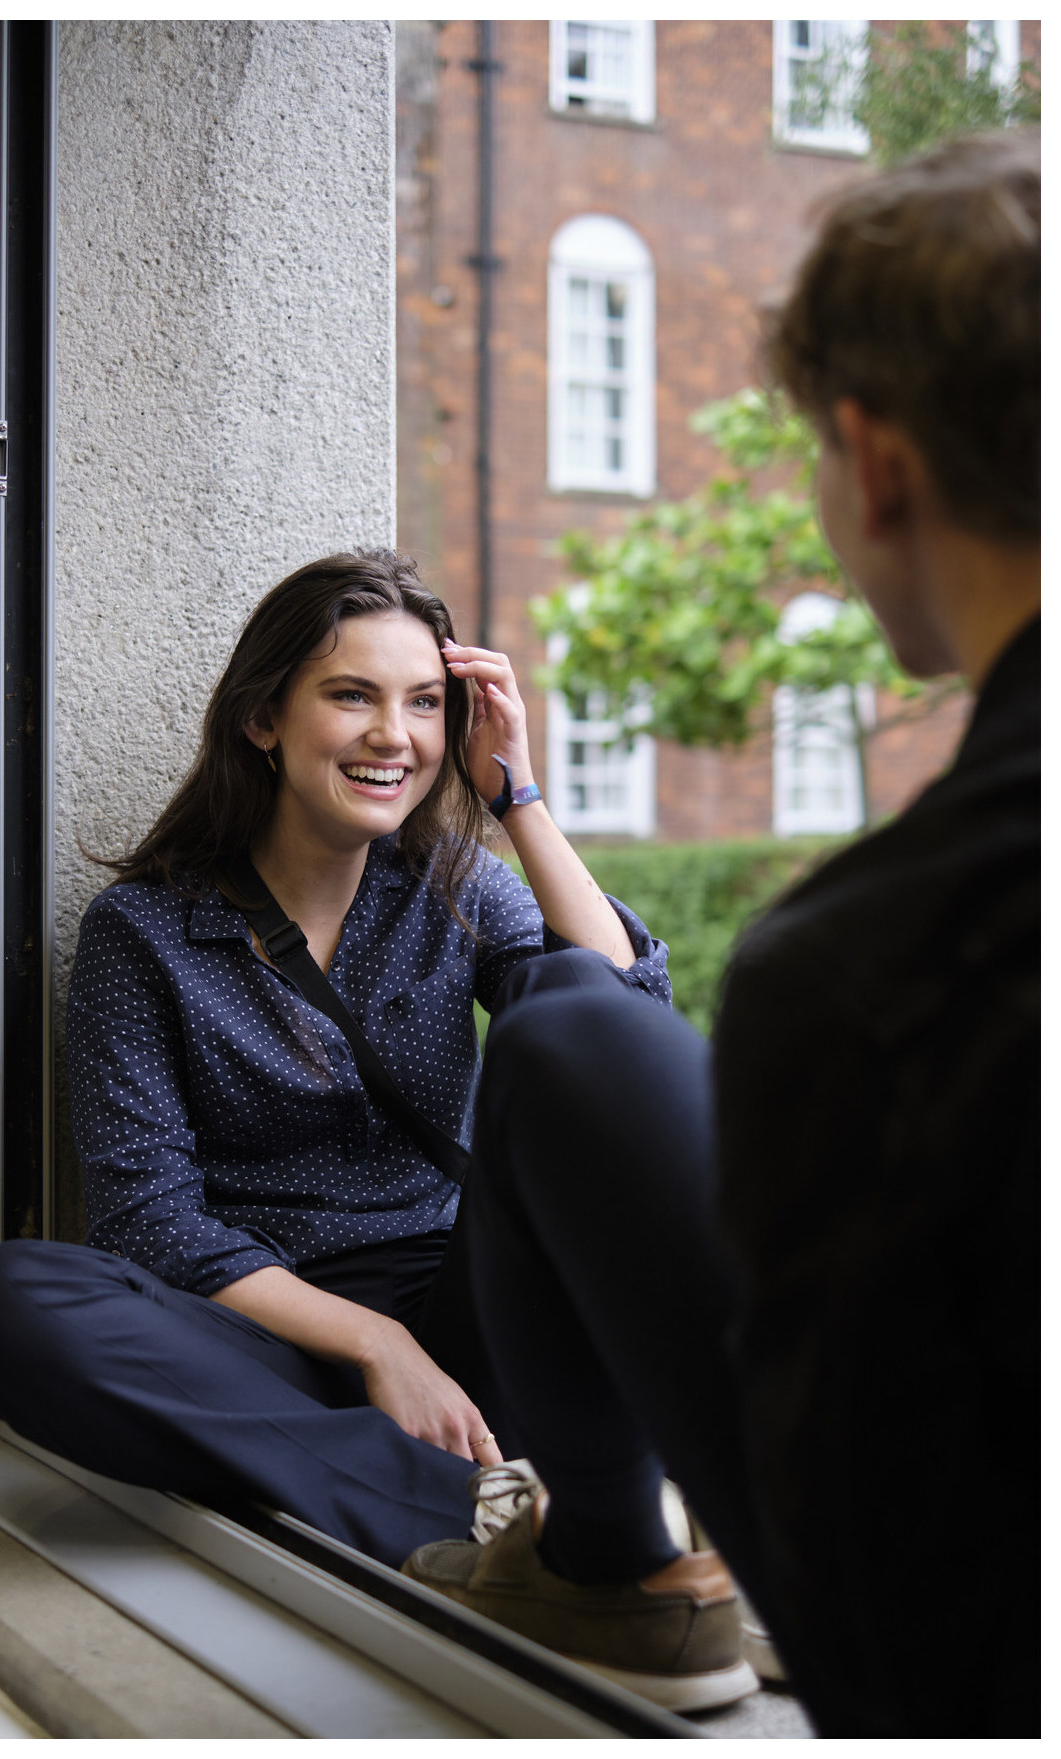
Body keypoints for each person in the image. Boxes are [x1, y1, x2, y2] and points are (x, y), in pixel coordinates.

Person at [402, 131, 1040, 1739]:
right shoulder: (161, 934)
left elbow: (894, 1611)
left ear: (872, 461)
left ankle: (609, 1562)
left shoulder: (866, 963)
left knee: (558, 1033)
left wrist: (521, 799)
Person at [0, 550, 677, 1577]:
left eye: (424, 702)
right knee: (8, 1301)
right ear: (263, 719)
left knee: (569, 1003)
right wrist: (379, 1347)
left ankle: (362, 1483)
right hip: (262, 1334)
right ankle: (500, 1516)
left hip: (469, 1304)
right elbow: (146, 1218)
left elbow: (621, 1040)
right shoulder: (143, 931)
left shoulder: (457, 883)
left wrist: (515, 792)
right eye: (351, 695)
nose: (395, 734)